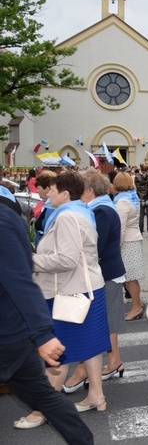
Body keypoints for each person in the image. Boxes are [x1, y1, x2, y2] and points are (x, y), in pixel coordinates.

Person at [0, 202, 94, 442]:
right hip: (14, 332)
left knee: (45, 398)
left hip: (9, 334)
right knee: (46, 398)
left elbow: (19, 279)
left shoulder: (3, 222)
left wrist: (42, 333)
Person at [25, 171, 111, 425]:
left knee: (56, 353)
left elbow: (66, 260)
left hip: (70, 290)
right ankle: (96, 394)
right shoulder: (83, 211)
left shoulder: (67, 217)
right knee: (91, 345)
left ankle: (42, 411)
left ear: (64, 194)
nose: (47, 193)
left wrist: (30, 260)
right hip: (87, 289)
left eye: (50, 189)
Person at [63, 169, 128, 394]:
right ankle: (113, 362)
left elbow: (93, 247)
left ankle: (87, 369)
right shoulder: (103, 208)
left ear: (89, 191)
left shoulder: (100, 211)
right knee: (108, 322)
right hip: (108, 271)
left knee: (103, 323)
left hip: (105, 273)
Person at [113, 172, 146, 321]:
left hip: (127, 242)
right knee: (130, 277)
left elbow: (120, 227)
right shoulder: (132, 197)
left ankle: (136, 307)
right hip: (133, 239)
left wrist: (116, 246)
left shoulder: (122, 202)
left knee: (129, 278)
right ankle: (137, 306)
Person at [33, 170, 57, 246]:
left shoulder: (52, 207)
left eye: (38, 188)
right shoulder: (46, 204)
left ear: (47, 188)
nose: (37, 191)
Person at [135, 164, 148, 237]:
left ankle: (141, 232)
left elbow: (136, 186)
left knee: (141, 216)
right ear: (147, 169)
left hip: (140, 197)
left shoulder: (136, 177)